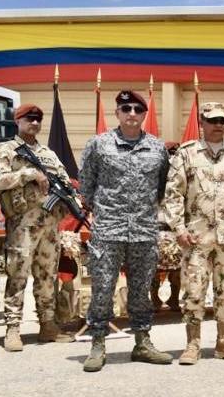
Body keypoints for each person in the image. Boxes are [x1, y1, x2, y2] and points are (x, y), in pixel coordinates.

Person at [78, 90, 172, 372]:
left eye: (137, 110)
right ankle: (97, 344)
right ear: (117, 113)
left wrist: (143, 212)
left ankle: (142, 342)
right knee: (103, 288)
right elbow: (86, 183)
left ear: (144, 115)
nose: (132, 113)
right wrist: (105, 212)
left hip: (144, 229)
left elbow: (162, 186)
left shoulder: (157, 148)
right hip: (108, 228)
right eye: (126, 108)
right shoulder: (99, 145)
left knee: (142, 289)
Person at [163, 102, 224, 365]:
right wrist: (179, 228)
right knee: (193, 290)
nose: (218, 126)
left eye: (222, 121)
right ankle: (192, 344)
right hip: (196, 237)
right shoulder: (186, 154)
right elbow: (172, 193)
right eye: (213, 121)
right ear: (202, 123)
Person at [0, 103, 74, 351]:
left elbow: (65, 180)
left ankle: (47, 325)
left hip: (49, 226)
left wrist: (70, 195)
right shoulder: (6, 150)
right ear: (18, 121)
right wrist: (27, 174)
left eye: (37, 119)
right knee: (18, 275)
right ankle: (13, 329)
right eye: (29, 119)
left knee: (47, 276)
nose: (34, 123)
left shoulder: (49, 153)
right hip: (23, 225)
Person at [152, 141, 182, 313]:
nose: (172, 157)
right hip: (158, 226)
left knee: (177, 266)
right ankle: (155, 299)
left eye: (175, 154)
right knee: (155, 266)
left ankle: (174, 298)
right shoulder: (156, 175)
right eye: (170, 153)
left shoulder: (180, 175)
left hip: (175, 228)